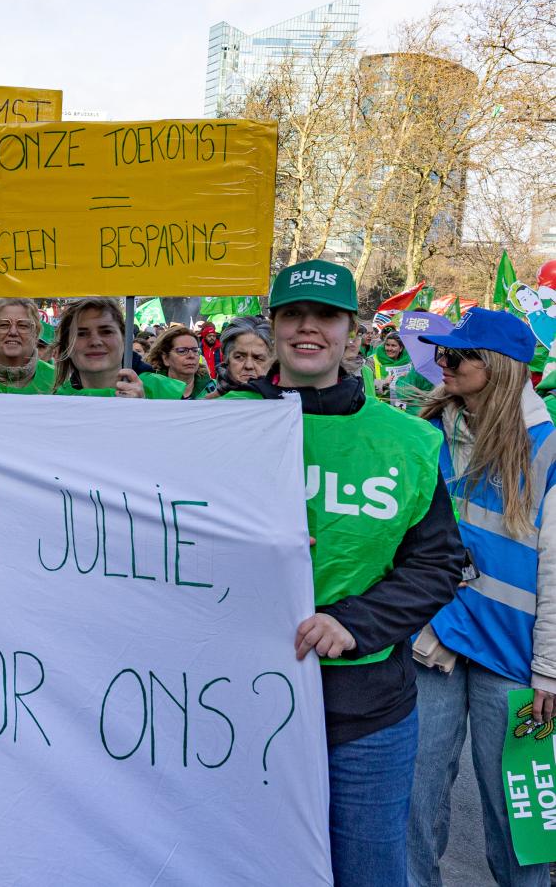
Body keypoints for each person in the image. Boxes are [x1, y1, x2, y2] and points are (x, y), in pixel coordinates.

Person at [224, 259, 465, 886]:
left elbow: (437, 562)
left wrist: (350, 622)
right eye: (294, 315)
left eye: (326, 316)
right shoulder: (217, 424)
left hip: (366, 711)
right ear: (273, 326)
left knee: (368, 871)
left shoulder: (406, 440)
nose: (309, 328)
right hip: (233, 701)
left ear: (352, 331)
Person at [408, 310, 556, 887]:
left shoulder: (547, 448)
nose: (441, 366)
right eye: (442, 356)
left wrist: (549, 669)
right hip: (435, 641)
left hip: (518, 662)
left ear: (495, 368)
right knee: (413, 801)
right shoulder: (424, 435)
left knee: (521, 816)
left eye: (455, 357)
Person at [48, 298, 176, 399]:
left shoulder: (167, 393)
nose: (95, 342)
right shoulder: (54, 403)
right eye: (81, 333)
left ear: (124, 338)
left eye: (106, 332)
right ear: (66, 345)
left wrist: (146, 410)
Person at [204, 316, 274, 397]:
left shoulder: (287, 403)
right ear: (226, 359)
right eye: (239, 357)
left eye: (258, 358)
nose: (249, 365)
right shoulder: (208, 406)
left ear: (271, 362)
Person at [145, 325, 206, 399]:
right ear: (165, 358)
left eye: (195, 350)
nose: (191, 356)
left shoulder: (216, 389)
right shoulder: (148, 388)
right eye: (182, 351)